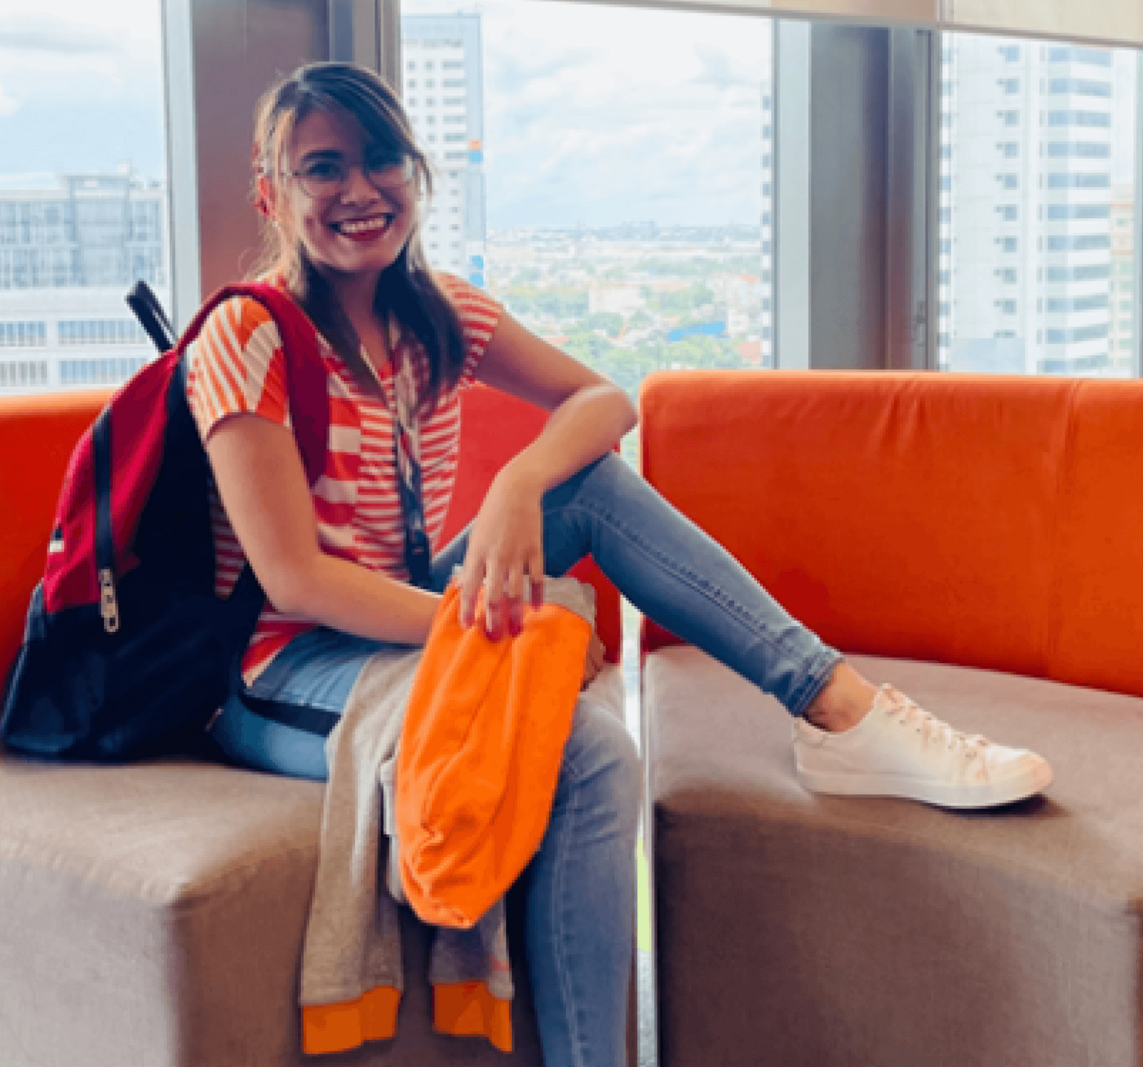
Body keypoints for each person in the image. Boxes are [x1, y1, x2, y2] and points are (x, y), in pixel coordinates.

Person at [186, 61, 1052, 1067]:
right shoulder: (246, 334)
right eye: (319, 167)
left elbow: (603, 401)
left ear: (414, 175)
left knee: (584, 483)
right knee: (587, 750)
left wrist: (516, 481)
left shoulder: (437, 315)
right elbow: (294, 582)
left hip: (408, 614)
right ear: (270, 194)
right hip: (284, 671)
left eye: (380, 158)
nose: (357, 190)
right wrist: (498, 627)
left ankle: (837, 708)